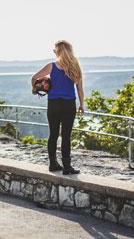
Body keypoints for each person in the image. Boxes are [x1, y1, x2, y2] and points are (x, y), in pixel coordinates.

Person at [31, 40, 84, 175]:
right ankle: (67, 167)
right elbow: (80, 89)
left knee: (53, 134)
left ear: (58, 51)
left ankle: (53, 164)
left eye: (55, 49)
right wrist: (82, 105)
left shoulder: (52, 66)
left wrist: (35, 89)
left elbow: (34, 78)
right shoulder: (75, 67)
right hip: (69, 104)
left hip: (54, 103)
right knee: (66, 136)